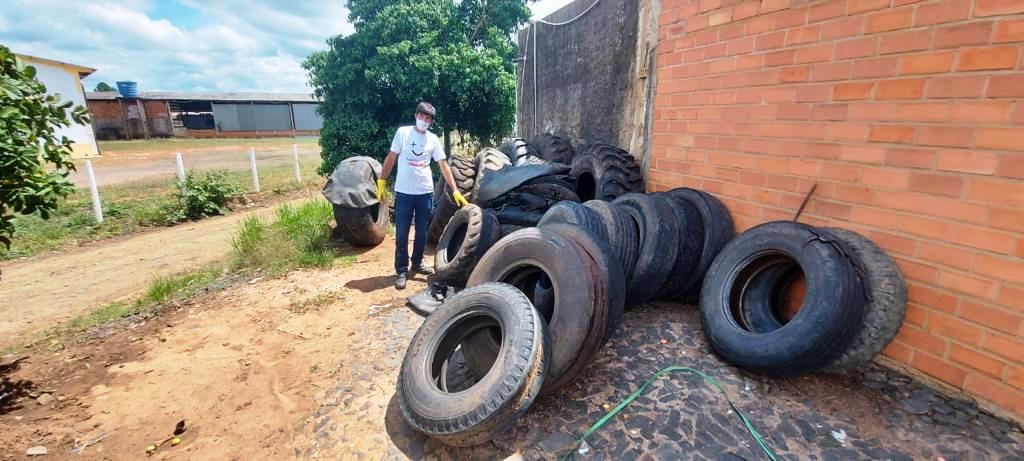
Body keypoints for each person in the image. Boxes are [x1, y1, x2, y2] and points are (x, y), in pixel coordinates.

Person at [378, 102, 468, 290]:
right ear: (416, 115)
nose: (424, 121)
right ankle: (402, 270)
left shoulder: (433, 140)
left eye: (428, 119)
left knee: (421, 233)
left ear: (431, 121)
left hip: (424, 192)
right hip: (403, 192)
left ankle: (417, 263)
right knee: (402, 234)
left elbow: (443, 165)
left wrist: (456, 190)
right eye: (422, 116)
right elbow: (391, 157)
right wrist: (382, 180)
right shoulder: (403, 133)